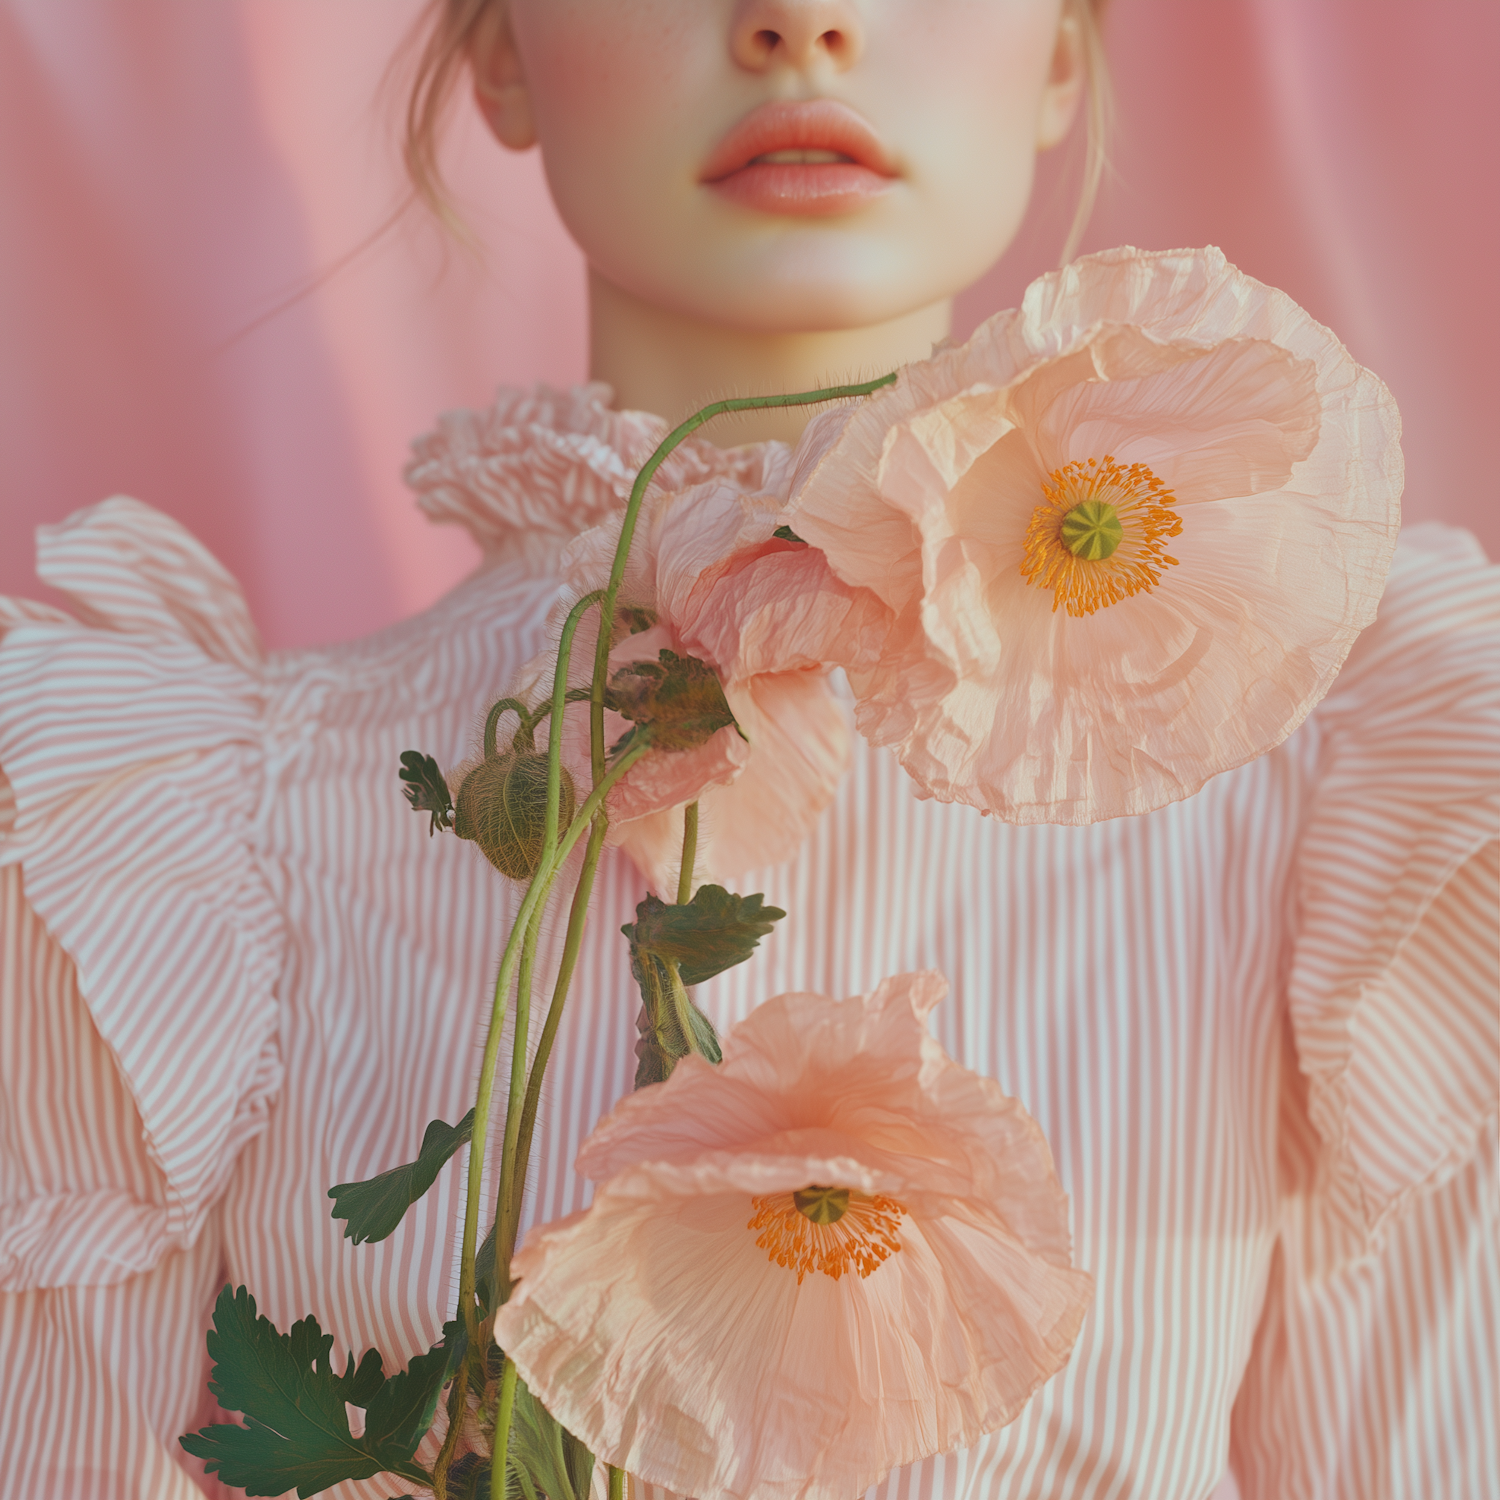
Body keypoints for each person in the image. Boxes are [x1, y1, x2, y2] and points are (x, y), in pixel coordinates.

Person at [1, 2, 1494, 1496]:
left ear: (1060, 54)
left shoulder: (1340, 827)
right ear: (504, 52)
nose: (803, 21)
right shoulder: (164, 840)